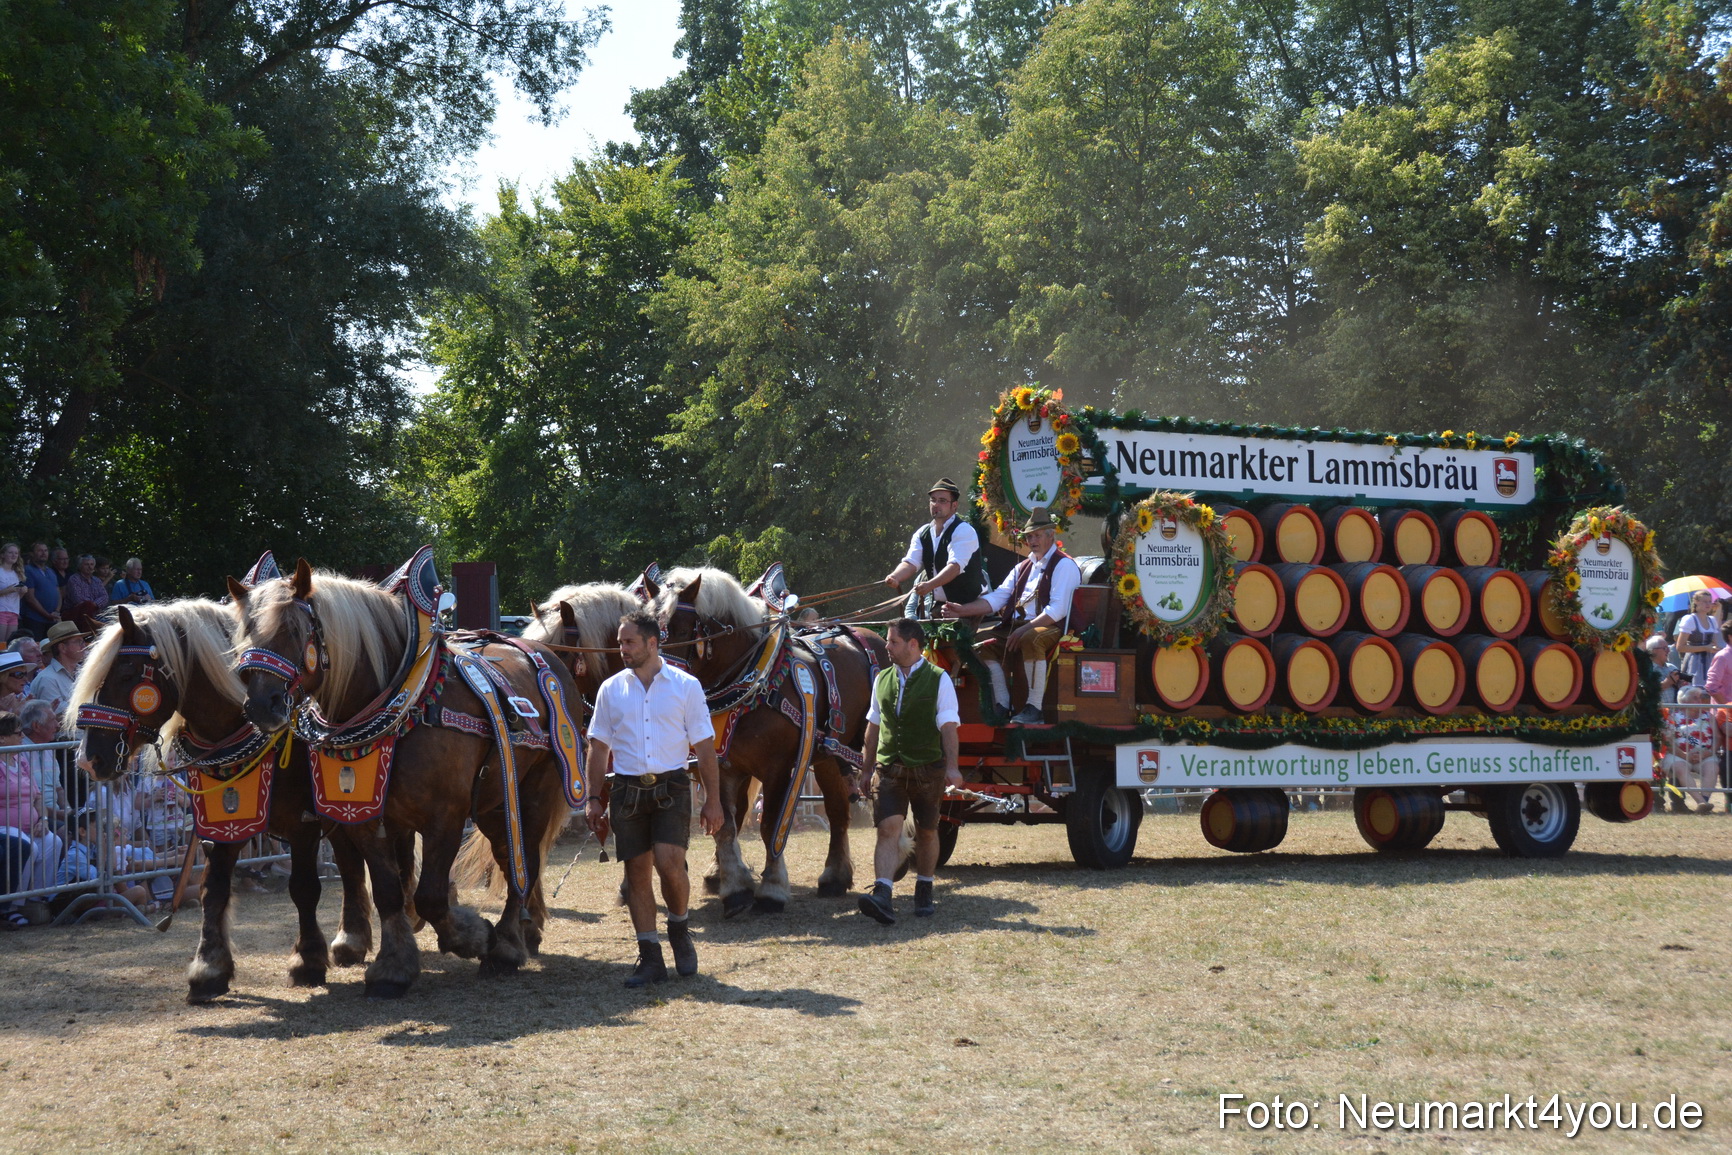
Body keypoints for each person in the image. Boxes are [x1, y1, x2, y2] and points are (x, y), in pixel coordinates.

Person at [583, 609, 724, 987]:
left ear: (651, 642)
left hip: (673, 785)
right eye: (619, 643)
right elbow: (597, 749)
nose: (622, 649)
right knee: (636, 874)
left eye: (629, 642)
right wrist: (593, 798)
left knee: (670, 862)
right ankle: (650, 957)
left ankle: (679, 928)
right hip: (627, 789)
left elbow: (706, 747)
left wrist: (714, 800)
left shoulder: (686, 685)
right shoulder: (611, 689)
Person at [856, 618, 962, 925]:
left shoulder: (939, 679)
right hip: (889, 768)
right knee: (888, 828)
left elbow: (949, 727)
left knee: (928, 831)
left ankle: (924, 887)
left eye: (892, 641)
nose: (886, 646)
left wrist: (953, 767)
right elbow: (873, 726)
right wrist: (865, 769)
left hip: (928, 768)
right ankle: (883, 894)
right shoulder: (882, 678)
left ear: (912, 644)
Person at [942, 506, 1081, 724]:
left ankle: (1034, 708)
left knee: (1031, 638)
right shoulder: (1023, 567)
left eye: (1036, 536)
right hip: (1019, 627)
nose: (1032, 541)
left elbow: (1058, 610)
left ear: (1050, 535)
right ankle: (1003, 703)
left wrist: (1025, 629)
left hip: (1053, 627)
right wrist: (962, 609)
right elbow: (999, 597)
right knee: (981, 646)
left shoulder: (1064, 565)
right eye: (1029, 537)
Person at [883, 478, 983, 619]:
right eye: (933, 500)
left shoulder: (963, 531)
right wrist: (895, 576)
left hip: (967, 606)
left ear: (954, 506)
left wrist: (930, 585)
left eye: (942, 501)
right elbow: (911, 562)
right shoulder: (922, 533)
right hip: (940, 606)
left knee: (957, 641)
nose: (936, 504)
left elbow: (955, 567)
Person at [1665, 687, 1719, 813]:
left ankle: (1704, 801)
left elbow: (1718, 737)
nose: (1701, 699)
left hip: (1705, 755)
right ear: (1684, 702)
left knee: (1712, 767)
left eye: (1701, 697)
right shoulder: (1673, 716)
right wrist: (1685, 756)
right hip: (1678, 754)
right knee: (1680, 768)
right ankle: (1701, 802)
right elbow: (1668, 741)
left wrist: (1708, 753)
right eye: (1696, 697)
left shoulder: (1708, 716)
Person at [27, 621, 86, 719]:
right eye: (78, 641)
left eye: (83, 641)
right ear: (62, 647)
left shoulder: (83, 673)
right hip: (66, 734)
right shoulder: (47, 679)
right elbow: (58, 718)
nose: (83, 645)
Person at [1674, 591, 1722, 688]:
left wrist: (1719, 608)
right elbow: (1680, 647)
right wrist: (1705, 647)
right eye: (1704, 601)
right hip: (1694, 663)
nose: (1708, 604)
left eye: (1709, 601)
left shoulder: (1711, 620)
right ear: (1696, 602)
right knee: (1695, 692)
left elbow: (1714, 642)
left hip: (1710, 661)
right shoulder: (1690, 619)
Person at [18, 542, 60, 640]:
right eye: (40, 550)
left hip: (52, 619)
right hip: (34, 619)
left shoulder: (51, 571)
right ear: (32, 554)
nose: (43, 553)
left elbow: (58, 593)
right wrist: (47, 615)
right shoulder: (28, 570)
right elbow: (30, 598)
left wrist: (57, 611)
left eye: (45, 550)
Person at [62, 554, 107, 630]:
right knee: (87, 605)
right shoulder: (74, 579)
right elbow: (78, 599)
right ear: (80, 566)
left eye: (92, 564)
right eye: (86, 564)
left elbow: (105, 596)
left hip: (94, 613)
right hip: (75, 615)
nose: (90, 567)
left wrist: (95, 604)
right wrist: (93, 605)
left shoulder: (97, 580)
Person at [1647, 634, 1684, 705]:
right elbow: (1646, 691)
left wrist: (1681, 686)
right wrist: (1667, 683)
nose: (1668, 651)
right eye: (1665, 648)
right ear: (1653, 651)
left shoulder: (1672, 668)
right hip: (1658, 713)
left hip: (1675, 713)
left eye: (1668, 647)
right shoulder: (1647, 670)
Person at [0, 542, 24, 645]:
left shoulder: (17, 573)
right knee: (1, 643)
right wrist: (9, 590)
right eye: (10, 552)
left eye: (16, 553)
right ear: (2, 555)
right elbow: (10, 590)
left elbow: (18, 597)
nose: (14, 555)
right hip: (1, 610)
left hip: (14, 612)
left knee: (9, 644)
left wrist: (22, 591)